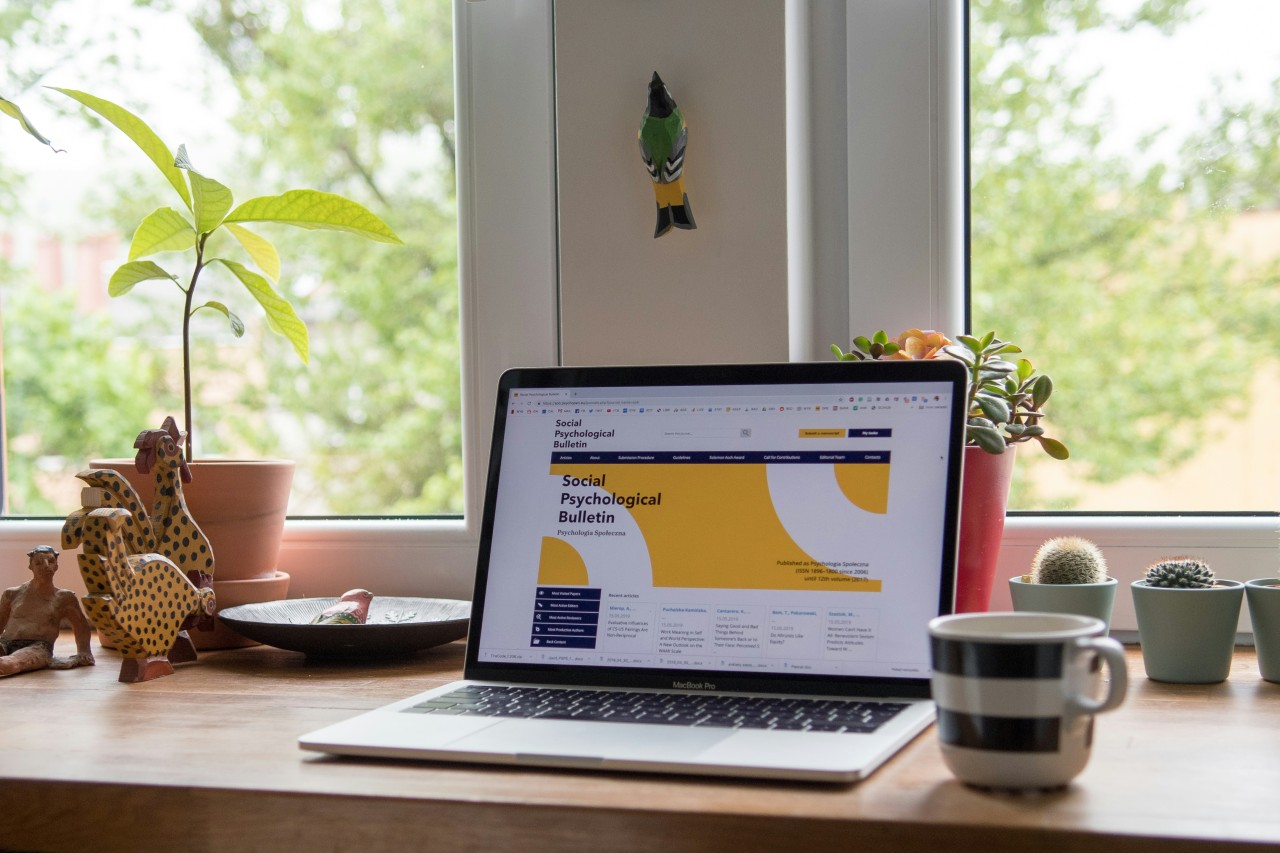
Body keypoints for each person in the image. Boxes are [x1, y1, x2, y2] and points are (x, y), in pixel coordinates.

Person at [0, 546, 95, 677]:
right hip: (5, 642)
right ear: (30, 566)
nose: (45, 566)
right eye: (38, 563)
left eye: (50, 561)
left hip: (37, 646)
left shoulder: (64, 598)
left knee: (8, 664)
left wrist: (84, 652)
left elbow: (80, 625)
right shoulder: (11, 594)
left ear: (56, 566)